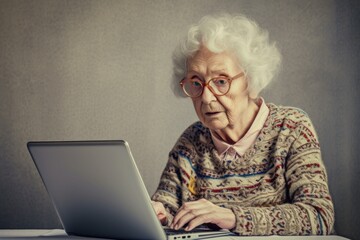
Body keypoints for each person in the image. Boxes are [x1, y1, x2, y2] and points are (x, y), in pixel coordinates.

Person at [151, 14, 334, 236]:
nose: (207, 98)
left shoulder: (291, 129)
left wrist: (232, 217)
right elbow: (168, 210)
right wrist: (156, 213)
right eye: (196, 83)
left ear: (251, 80)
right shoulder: (190, 142)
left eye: (221, 82)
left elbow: (319, 216)